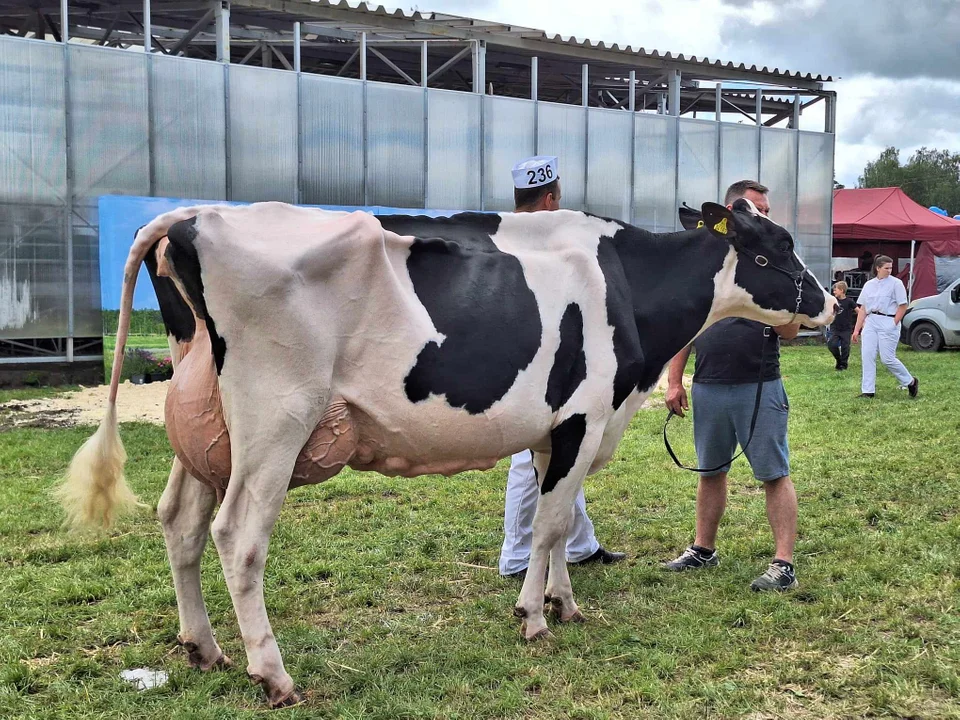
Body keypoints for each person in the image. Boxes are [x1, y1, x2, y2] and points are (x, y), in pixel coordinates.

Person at [663, 180, 800, 592]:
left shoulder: (773, 261)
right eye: (756, 208)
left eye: (766, 210)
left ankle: (783, 564)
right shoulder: (705, 265)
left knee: (773, 473)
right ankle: (703, 549)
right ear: (730, 212)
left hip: (759, 386)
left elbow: (792, 330)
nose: (763, 217)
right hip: (709, 385)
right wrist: (674, 381)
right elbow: (684, 327)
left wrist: (767, 304)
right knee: (710, 471)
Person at [499, 155, 625, 579]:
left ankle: (579, 544)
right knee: (530, 460)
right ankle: (517, 556)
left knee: (569, 449)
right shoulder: (543, 238)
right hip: (532, 362)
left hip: (550, 357)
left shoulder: (503, 232)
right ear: (551, 199)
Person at [851, 255, 918, 398]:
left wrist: (893, 323)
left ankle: (910, 381)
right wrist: (857, 329)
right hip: (871, 321)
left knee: (887, 358)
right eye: (886, 268)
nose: (889, 270)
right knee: (867, 356)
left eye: (890, 268)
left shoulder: (896, 283)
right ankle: (868, 391)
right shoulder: (869, 285)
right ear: (878, 268)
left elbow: (903, 305)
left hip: (888, 319)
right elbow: (863, 308)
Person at [827, 281, 857, 370]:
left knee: (845, 347)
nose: (834, 292)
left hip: (846, 329)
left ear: (842, 290)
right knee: (832, 344)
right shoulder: (833, 301)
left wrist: (862, 322)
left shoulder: (849, 301)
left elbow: (858, 311)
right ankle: (838, 360)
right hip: (834, 327)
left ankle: (843, 364)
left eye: (835, 290)